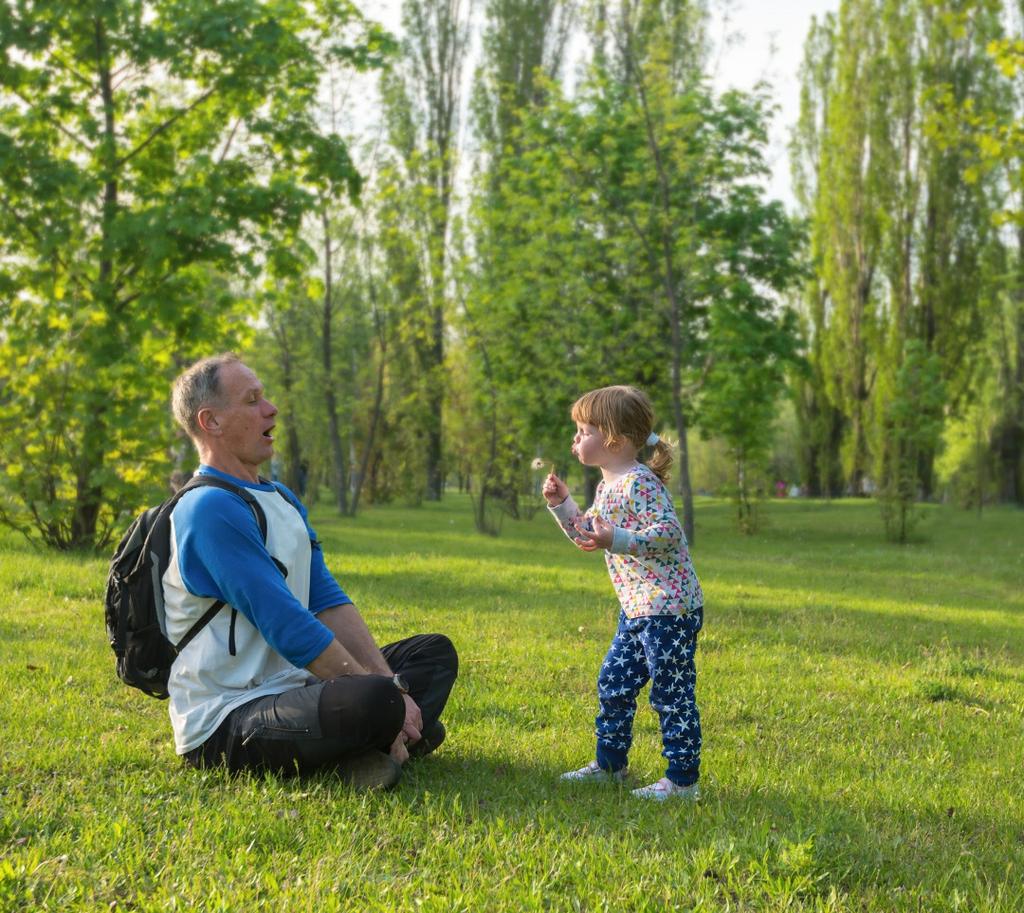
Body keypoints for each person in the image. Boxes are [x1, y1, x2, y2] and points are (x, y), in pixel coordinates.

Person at [165, 353, 457, 789]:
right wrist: (389, 696)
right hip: (229, 716)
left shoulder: (279, 497)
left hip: (296, 686)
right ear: (212, 422)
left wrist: (390, 684)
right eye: (252, 400)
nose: (271, 409)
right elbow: (285, 623)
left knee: (431, 654)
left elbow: (325, 599)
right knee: (374, 698)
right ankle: (382, 740)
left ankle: (372, 745)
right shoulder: (208, 508)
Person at [542, 385, 704, 801]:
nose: (576, 439)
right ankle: (610, 766)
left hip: (668, 609)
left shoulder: (639, 483)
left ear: (614, 438)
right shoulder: (607, 486)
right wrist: (564, 506)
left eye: (584, 430)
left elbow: (668, 534)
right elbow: (589, 535)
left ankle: (683, 780)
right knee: (613, 682)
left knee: (671, 693)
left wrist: (618, 537)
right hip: (637, 609)